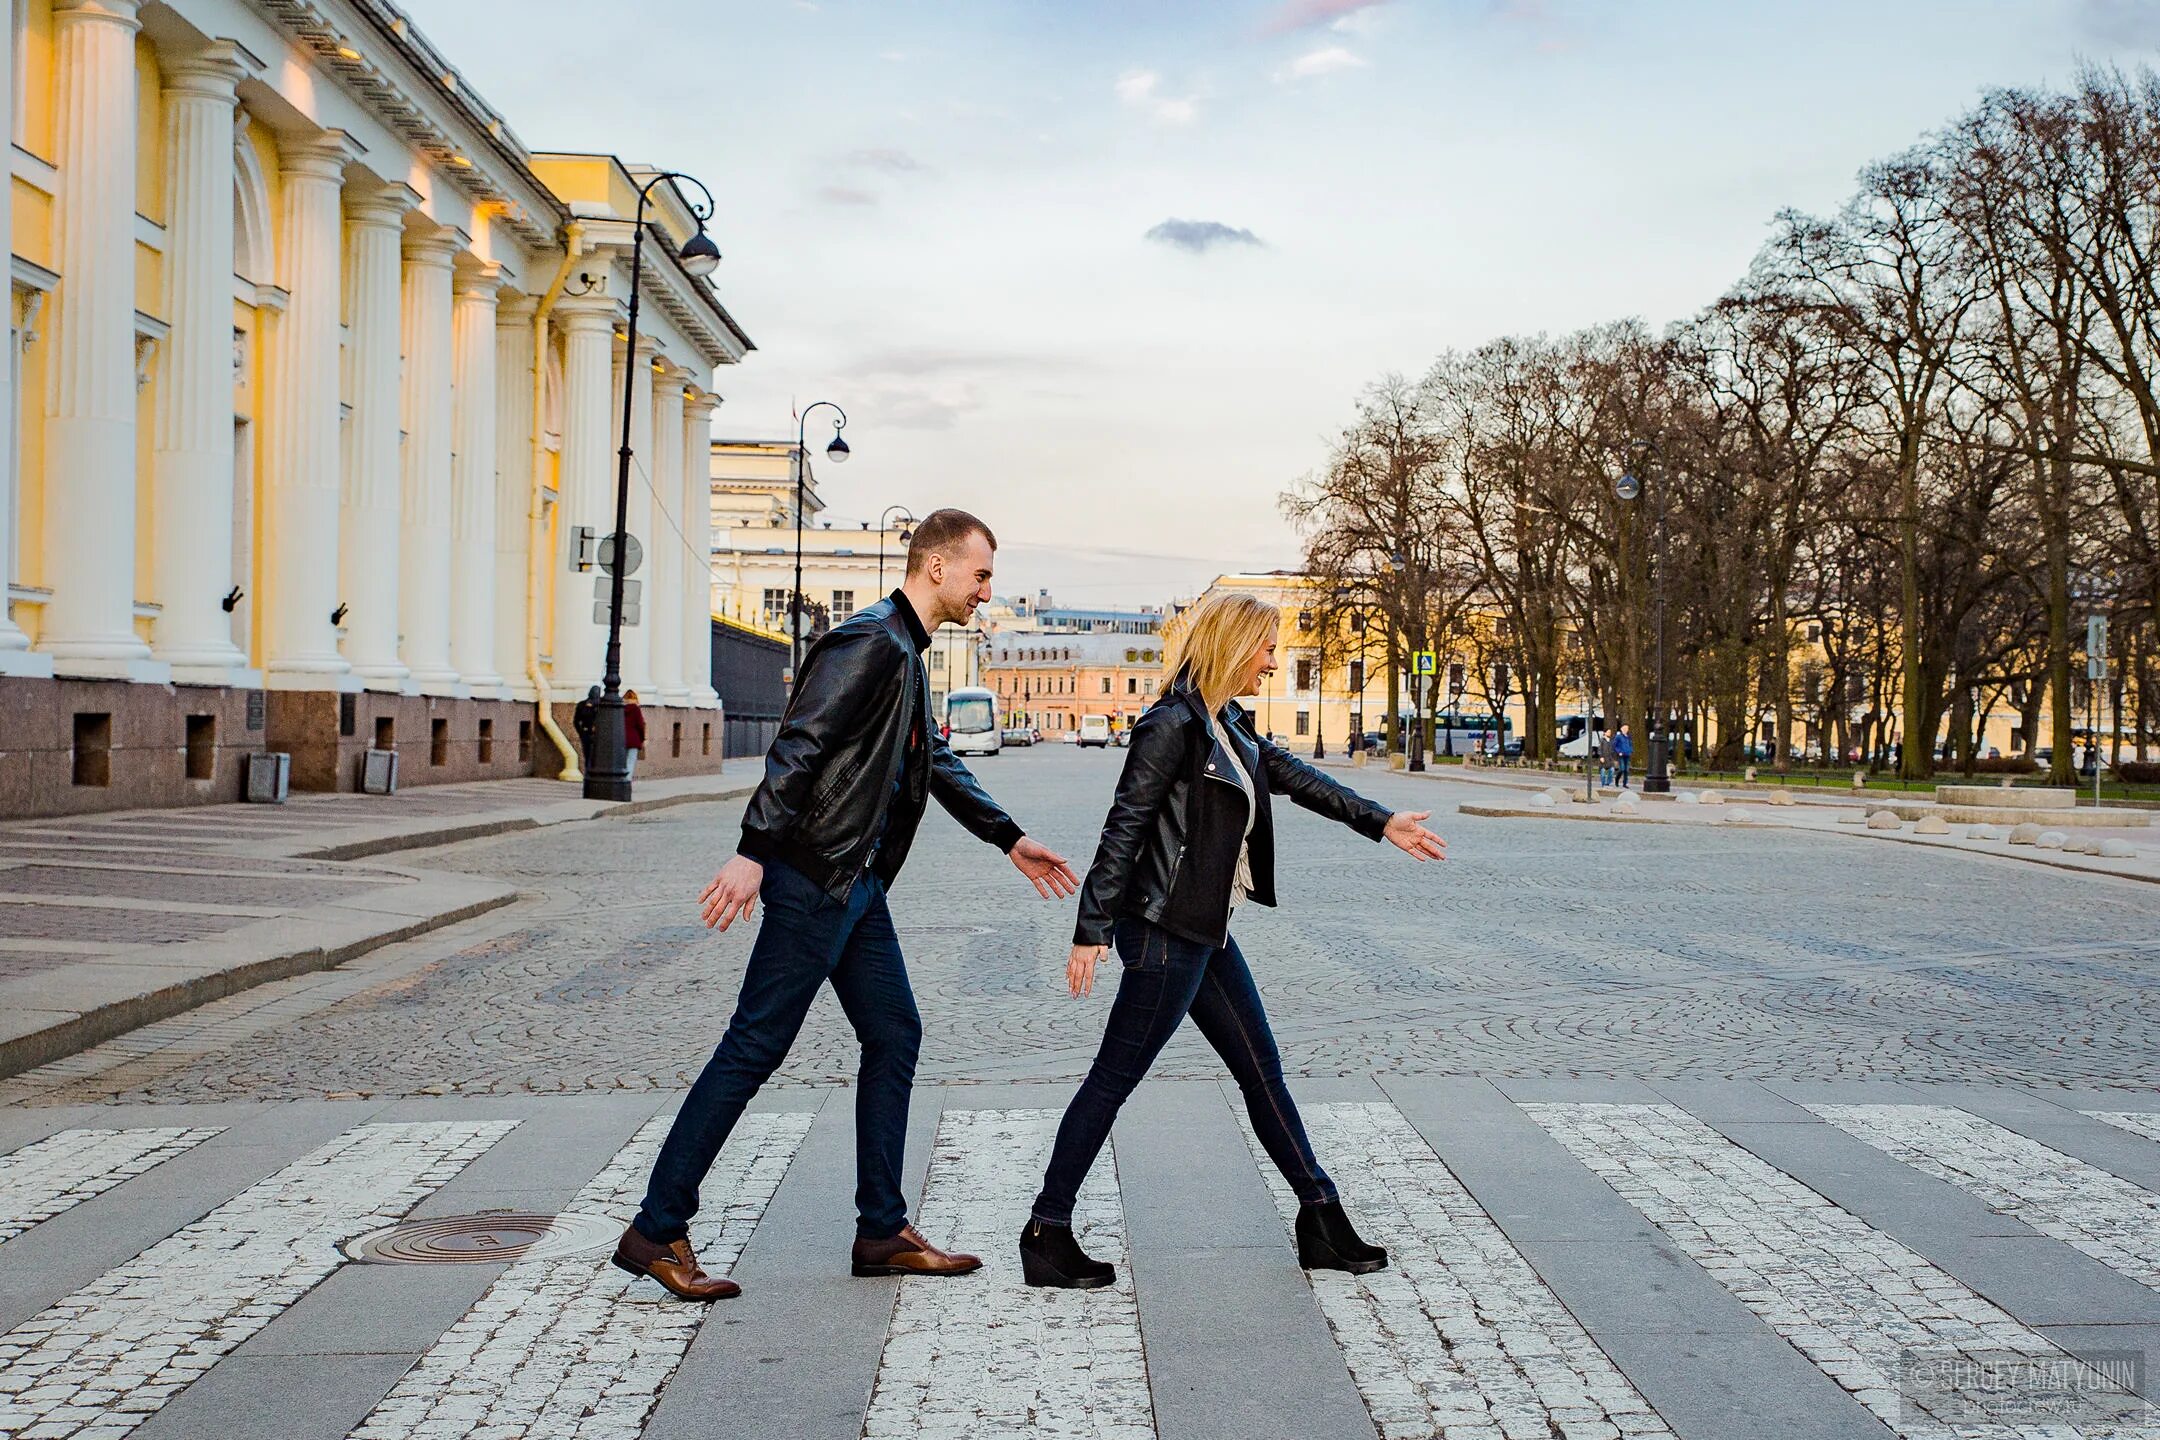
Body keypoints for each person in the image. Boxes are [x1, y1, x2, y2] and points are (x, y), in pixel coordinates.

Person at [614, 509, 1079, 1301]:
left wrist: (1008, 837)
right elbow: (799, 744)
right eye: (981, 574)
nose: (987, 590)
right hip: (815, 876)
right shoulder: (869, 641)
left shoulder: (906, 649)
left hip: (855, 883)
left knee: (896, 1032)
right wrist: (754, 851)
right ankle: (657, 1228)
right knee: (754, 1046)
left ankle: (881, 1230)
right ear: (936, 566)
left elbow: (930, 763)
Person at [1018, 592, 1447, 1290]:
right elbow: (1123, 827)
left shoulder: (1228, 725)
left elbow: (1297, 779)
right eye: (1267, 648)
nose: (1274, 663)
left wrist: (1380, 820)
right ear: (1232, 644)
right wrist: (1091, 929)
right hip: (1161, 933)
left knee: (1260, 1068)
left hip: (1205, 931)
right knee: (1113, 1079)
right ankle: (1047, 1228)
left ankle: (1321, 1215)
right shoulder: (1171, 726)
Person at [572, 685, 601, 771]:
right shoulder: (582, 705)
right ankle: (588, 774)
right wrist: (581, 732)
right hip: (586, 733)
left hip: (598, 734)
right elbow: (576, 721)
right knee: (588, 755)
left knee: (597, 756)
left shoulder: (601, 705)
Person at [623, 689, 647, 779]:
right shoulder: (636, 709)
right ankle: (627, 781)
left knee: (623, 762)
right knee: (631, 761)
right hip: (634, 740)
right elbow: (640, 725)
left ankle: (622, 780)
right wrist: (642, 739)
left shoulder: (620, 709)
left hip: (621, 739)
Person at [1613, 723, 1633, 789]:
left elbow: (1630, 744)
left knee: (1626, 770)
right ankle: (1617, 779)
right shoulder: (1618, 736)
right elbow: (1614, 745)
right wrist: (1619, 752)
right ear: (1621, 729)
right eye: (1624, 728)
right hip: (1621, 754)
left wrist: (1630, 750)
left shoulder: (1628, 737)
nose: (1626, 730)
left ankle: (1625, 783)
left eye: (1627, 728)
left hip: (1627, 754)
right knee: (1622, 769)